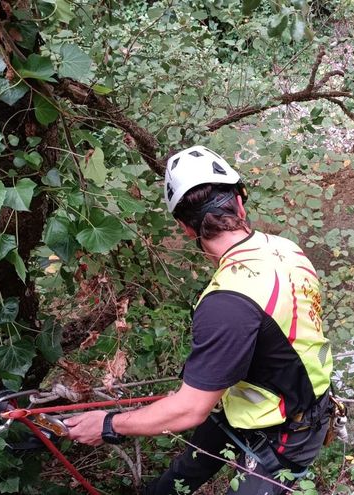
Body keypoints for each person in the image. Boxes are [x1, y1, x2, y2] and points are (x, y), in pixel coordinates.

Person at [65, 145, 334, 494]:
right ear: (240, 203)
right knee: (184, 472)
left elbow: (189, 410)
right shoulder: (285, 248)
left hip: (288, 431)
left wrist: (108, 425)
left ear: (186, 229)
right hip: (264, 402)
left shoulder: (227, 303)